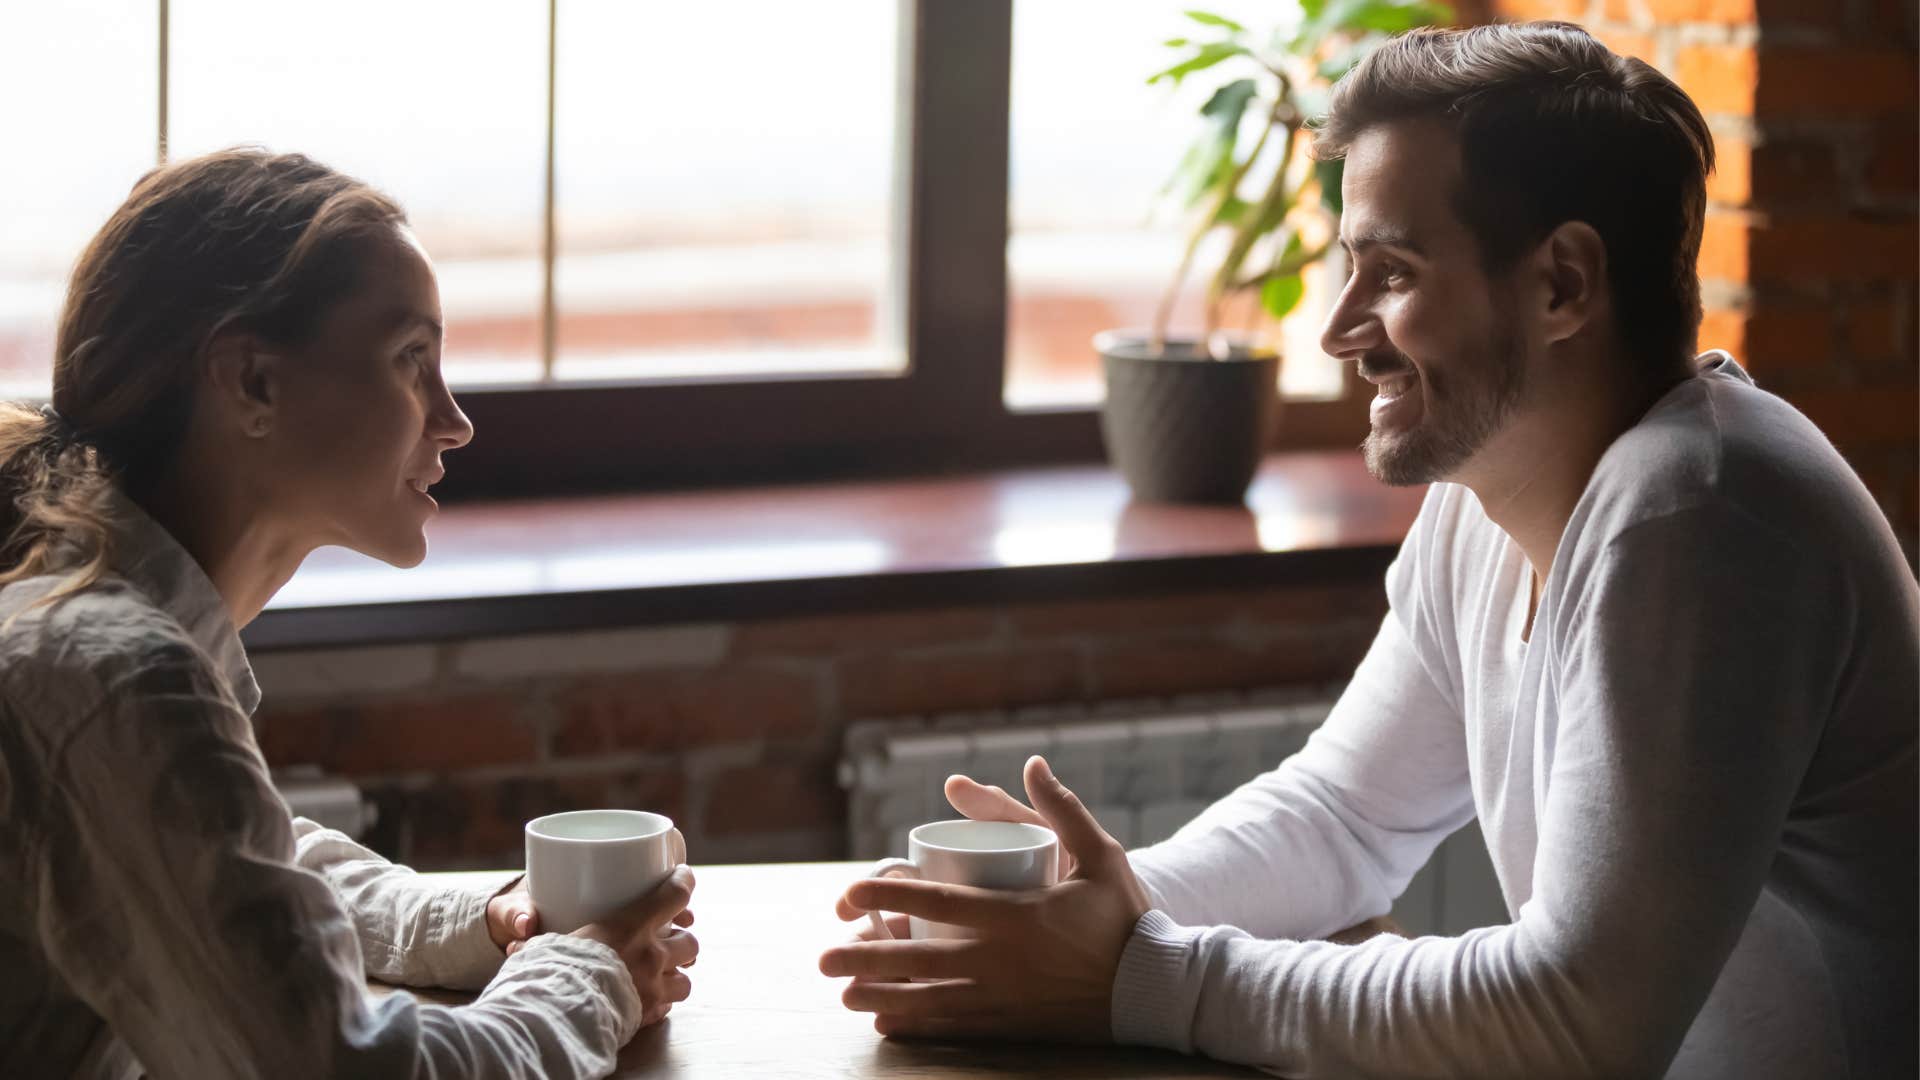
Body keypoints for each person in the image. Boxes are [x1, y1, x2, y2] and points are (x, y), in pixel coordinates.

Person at [822, 21, 1917, 1078]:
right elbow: (1342, 816)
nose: (1340, 327)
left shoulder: (1700, 513)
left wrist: (1134, 975)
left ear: (1562, 285)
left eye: (1390, 271)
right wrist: (1094, 907)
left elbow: (1582, 1021)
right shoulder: (1489, 494)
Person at [0, 149, 697, 1078]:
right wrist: (590, 975)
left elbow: (224, 861)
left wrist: (479, 922)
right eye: (411, 358)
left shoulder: (94, 631)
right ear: (252, 381)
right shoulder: (113, 673)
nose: (454, 420)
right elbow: (343, 1067)